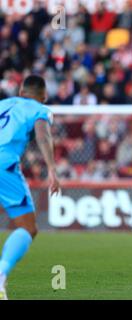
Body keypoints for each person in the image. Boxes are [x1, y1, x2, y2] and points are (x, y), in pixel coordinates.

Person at [0, 75, 60, 300]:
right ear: (43, 96)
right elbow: (43, 135)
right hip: (3, 162)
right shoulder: (39, 109)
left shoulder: (2, 104)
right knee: (27, 227)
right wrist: (52, 169)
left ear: (20, 91)